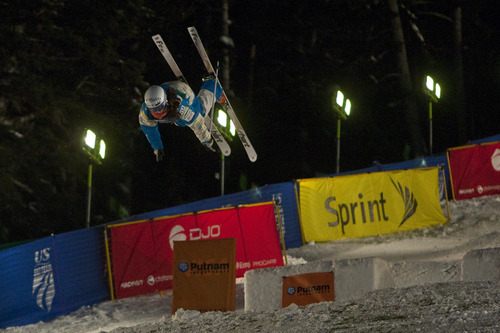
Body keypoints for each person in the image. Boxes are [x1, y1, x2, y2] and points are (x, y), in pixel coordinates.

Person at [138, 78, 224, 161]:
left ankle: (213, 85)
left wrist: (206, 139)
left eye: (160, 107)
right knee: (179, 122)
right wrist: (157, 147)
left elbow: (195, 121)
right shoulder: (145, 113)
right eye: (153, 109)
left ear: (165, 102)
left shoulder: (179, 105)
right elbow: (149, 130)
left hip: (185, 93)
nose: (157, 112)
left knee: (201, 113)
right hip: (169, 88)